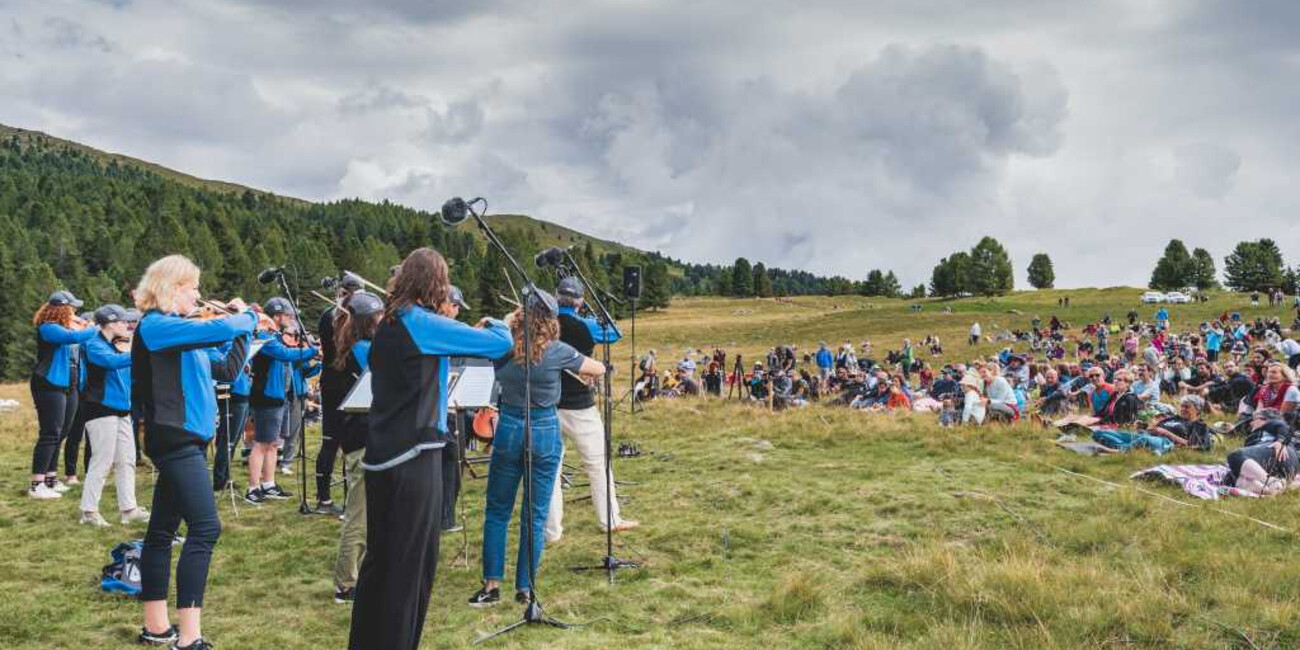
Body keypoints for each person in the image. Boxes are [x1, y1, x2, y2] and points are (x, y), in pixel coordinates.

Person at [349, 248, 512, 650]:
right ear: (436, 283)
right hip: (414, 457)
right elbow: (498, 344)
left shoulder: (390, 321)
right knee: (412, 569)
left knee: (380, 564)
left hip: (381, 458)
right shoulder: (420, 323)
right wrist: (499, 324)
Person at [133, 255, 257, 649]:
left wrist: (245, 332)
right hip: (175, 440)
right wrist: (246, 318)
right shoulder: (156, 326)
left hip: (188, 441)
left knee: (160, 533)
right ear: (172, 288)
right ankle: (189, 637)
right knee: (205, 528)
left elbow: (228, 369)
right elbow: (221, 327)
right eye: (193, 288)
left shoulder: (185, 334)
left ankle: (156, 628)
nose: (198, 295)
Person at [469, 288, 605, 607]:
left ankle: (491, 585)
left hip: (510, 425)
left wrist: (494, 323)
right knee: (535, 513)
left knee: (498, 510)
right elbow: (597, 368)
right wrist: (576, 369)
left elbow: (488, 335)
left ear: (520, 317)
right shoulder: (558, 351)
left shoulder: (503, 348)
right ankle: (526, 587)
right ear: (551, 320)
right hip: (544, 428)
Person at [545, 277, 637, 545]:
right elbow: (615, 333)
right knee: (597, 464)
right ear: (580, 302)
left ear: (556, 297)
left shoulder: (546, 325)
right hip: (580, 406)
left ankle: (552, 531)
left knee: (551, 469)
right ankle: (610, 520)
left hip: (549, 404)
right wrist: (596, 312)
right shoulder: (585, 325)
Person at [329, 291, 384, 604]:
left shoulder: (348, 346)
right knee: (359, 513)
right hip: (363, 438)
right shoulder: (365, 351)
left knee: (366, 511)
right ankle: (347, 582)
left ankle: (358, 573)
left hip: (358, 437)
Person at [78, 304, 151, 527]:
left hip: (122, 409)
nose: (127, 325)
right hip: (100, 408)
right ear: (109, 323)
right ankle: (89, 512)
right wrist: (139, 353)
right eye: (122, 321)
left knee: (126, 460)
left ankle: (129, 509)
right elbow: (111, 362)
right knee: (102, 461)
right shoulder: (93, 344)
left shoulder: (118, 344)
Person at [245, 297, 318, 504]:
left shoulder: (275, 336)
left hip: (280, 396)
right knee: (261, 443)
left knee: (273, 443)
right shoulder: (265, 337)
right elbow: (285, 354)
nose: (290, 319)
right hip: (267, 396)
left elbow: (290, 357)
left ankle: (268, 484)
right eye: (287, 315)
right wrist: (313, 350)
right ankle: (253, 488)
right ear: (277, 316)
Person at [28, 290, 96, 499]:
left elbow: (78, 338)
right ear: (62, 309)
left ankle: (51, 478)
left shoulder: (67, 326)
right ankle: (36, 484)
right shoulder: (48, 327)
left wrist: (83, 325)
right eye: (72, 308)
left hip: (69, 385)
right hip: (49, 384)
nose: (75, 311)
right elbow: (72, 337)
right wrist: (93, 327)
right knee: (50, 433)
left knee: (62, 432)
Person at [315, 273, 365, 515]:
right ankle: (348, 501)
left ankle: (323, 499)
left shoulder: (328, 314)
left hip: (330, 380)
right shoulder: (350, 317)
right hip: (348, 380)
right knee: (349, 443)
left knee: (330, 441)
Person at [1147, 395, 1213, 450]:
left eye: (1187, 407)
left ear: (1197, 410)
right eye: (1182, 406)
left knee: (1143, 439)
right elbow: (1153, 428)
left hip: (1165, 442)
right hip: (1151, 436)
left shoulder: (1198, 425)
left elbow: (1193, 445)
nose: (1183, 409)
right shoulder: (1174, 418)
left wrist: (1166, 433)